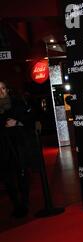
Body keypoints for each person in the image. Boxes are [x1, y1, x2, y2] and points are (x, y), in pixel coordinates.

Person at [0, 80, 31, 218]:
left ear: (7, 89)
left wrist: (17, 122)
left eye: (3, 88)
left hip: (18, 145)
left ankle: (24, 204)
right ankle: (16, 205)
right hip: (3, 148)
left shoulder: (17, 103)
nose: (1, 91)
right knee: (7, 179)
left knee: (22, 175)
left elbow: (29, 119)